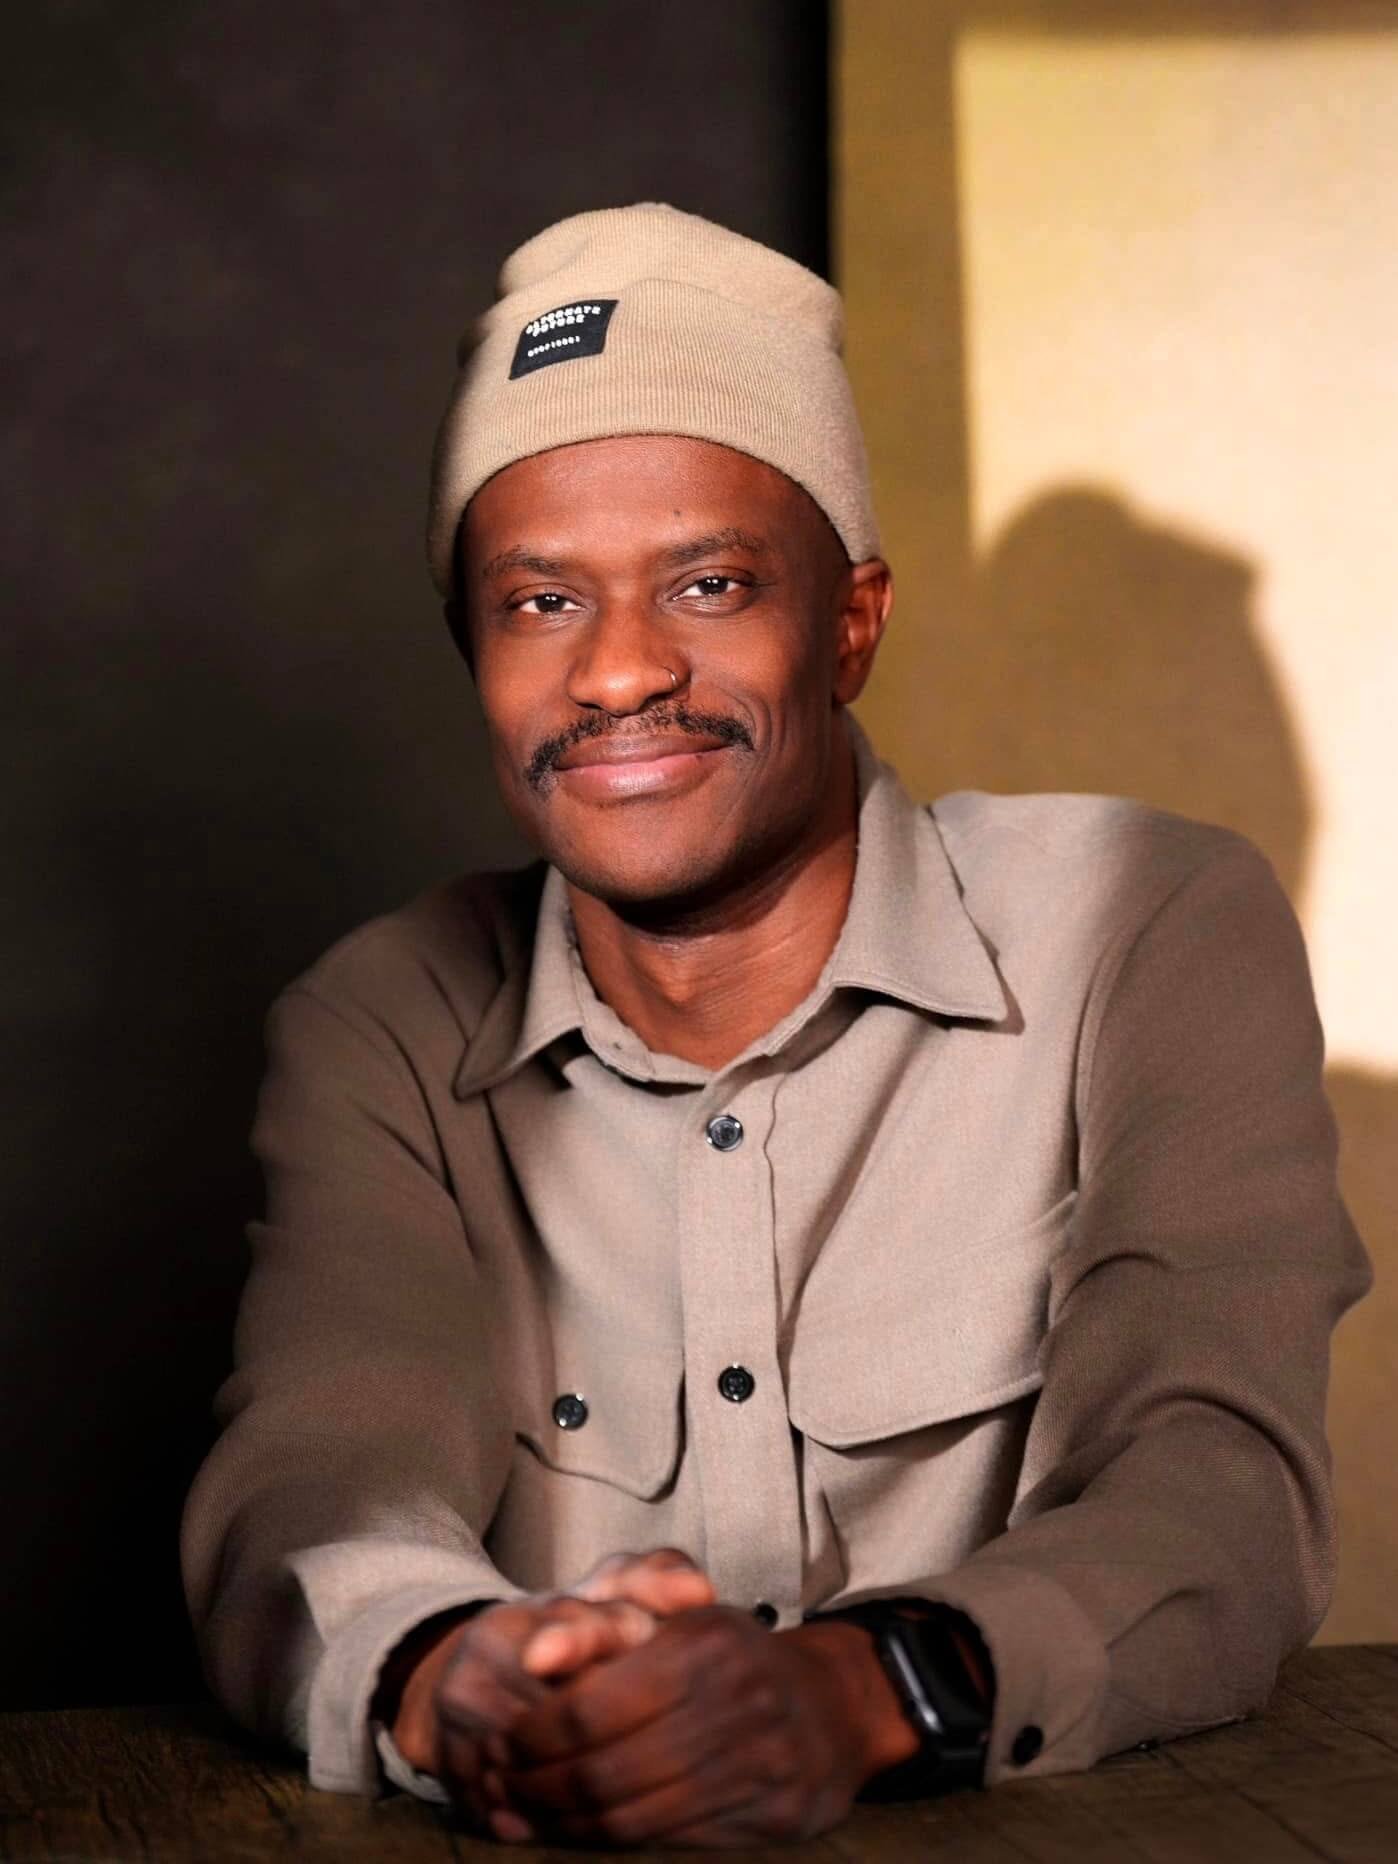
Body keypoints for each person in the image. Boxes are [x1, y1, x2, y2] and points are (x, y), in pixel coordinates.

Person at [180, 203, 1371, 1848]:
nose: (614, 674)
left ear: (851, 623)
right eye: (538, 603)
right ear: (474, 653)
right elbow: (319, 1485)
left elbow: (1214, 1487)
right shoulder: (382, 1021)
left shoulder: (1140, 921)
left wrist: (854, 1692)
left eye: (710, 581)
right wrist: (467, 1682)